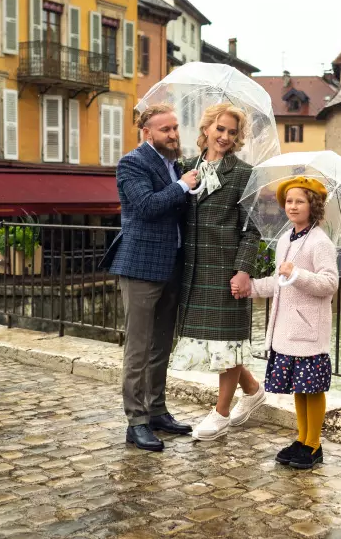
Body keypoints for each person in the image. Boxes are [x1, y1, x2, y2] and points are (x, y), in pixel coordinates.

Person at [105, 104, 198, 452]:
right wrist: (183, 186)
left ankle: (157, 410)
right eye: (165, 130)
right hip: (141, 266)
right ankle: (137, 421)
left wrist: (190, 186)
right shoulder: (132, 163)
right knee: (139, 348)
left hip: (172, 264)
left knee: (162, 345)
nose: (173, 135)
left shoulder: (175, 164)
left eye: (175, 128)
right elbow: (145, 205)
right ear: (147, 133)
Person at [170, 103, 265, 441]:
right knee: (217, 345)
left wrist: (244, 270)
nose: (225, 136)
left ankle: (221, 413)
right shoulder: (183, 167)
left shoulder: (244, 174)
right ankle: (253, 391)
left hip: (226, 268)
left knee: (228, 343)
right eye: (220, 129)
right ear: (207, 129)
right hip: (192, 270)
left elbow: (252, 230)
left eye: (232, 132)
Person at [247, 177, 339, 469]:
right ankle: (302, 439)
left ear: (312, 205)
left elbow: (330, 283)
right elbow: (279, 282)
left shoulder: (320, 241)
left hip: (309, 329)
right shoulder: (287, 238)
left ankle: (314, 445)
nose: (292, 206)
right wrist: (251, 288)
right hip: (288, 328)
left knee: (312, 389)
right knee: (300, 388)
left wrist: (297, 273)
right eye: (289, 201)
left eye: (299, 201)